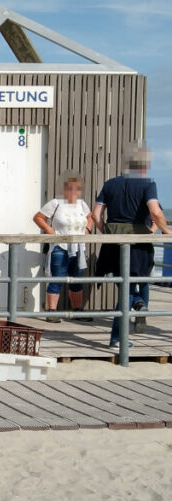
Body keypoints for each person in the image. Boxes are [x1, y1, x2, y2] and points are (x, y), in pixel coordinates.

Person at [92, 143, 168, 348]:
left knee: (123, 288)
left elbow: (96, 215)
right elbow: (156, 212)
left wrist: (105, 233)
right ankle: (121, 333)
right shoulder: (147, 184)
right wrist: (166, 231)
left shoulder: (109, 184)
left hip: (113, 243)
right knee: (138, 283)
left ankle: (136, 307)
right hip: (138, 244)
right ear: (143, 167)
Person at [33, 174, 94, 322]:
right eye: (71, 188)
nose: (74, 191)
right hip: (60, 247)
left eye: (77, 189)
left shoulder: (82, 204)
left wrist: (88, 230)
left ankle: (77, 311)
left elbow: (90, 217)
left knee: (76, 279)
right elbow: (38, 217)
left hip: (79, 248)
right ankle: (52, 312)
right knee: (57, 279)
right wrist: (50, 231)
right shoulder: (56, 203)